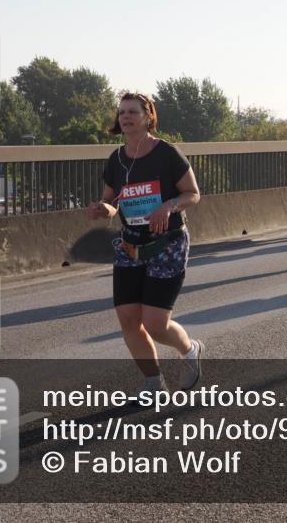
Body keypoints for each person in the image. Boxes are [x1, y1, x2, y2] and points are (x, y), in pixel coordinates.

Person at [88, 92, 204, 398]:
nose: (125, 117)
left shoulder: (166, 153)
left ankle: (190, 350)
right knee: (128, 318)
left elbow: (192, 193)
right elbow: (112, 200)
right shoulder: (116, 158)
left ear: (148, 116)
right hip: (130, 245)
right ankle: (153, 381)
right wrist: (105, 209)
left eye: (133, 112)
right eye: (122, 112)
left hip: (167, 243)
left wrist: (168, 206)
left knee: (154, 324)